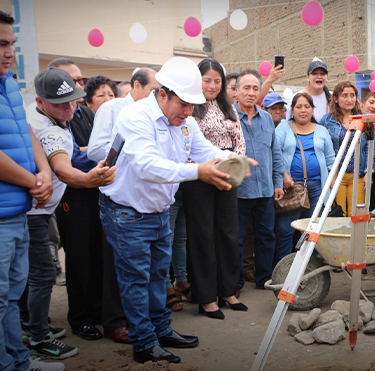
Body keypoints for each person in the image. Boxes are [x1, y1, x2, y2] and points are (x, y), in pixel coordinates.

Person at [99, 56, 239, 363]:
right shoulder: (135, 117)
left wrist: (232, 159)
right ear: (163, 94)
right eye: (184, 104)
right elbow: (147, 166)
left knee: (157, 276)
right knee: (136, 281)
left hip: (159, 211)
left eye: (193, 106)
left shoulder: (185, 122)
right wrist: (197, 172)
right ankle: (144, 343)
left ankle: (161, 330)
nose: (189, 112)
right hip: (127, 213)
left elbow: (205, 150)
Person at [25, 67, 116, 359]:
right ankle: (36, 335)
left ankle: (31, 326)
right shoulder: (45, 128)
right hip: (31, 214)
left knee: (31, 275)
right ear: (40, 102)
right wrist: (89, 179)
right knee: (39, 275)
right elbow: (64, 169)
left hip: (39, 212)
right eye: (61, 103)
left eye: (74, 100)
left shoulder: (55, 119)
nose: (70, 108)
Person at [0, 10, 61, 371]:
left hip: (18, 212)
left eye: (11, 44)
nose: (9, 52)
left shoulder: (8, 81)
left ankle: (19, 362)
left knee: (9, 299)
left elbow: (26, 132)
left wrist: (43, 171)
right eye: (1, 44)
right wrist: (34, 181)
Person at [86, 67, 158, 343]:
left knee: (143, 267)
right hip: (117, 196)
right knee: (117, 262)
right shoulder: (113, 107)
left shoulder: (154, 114)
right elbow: (94, 149)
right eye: (153, 90)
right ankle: (114, 321)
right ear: (136, 87)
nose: (158, 97)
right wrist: (130, 152)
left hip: (146, 196)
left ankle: (140, 319)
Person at [181, 58, 249, 320]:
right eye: (207, 80)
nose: (212, 85)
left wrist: (236, 165)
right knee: (202, 237)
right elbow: (187, 148)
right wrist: (203, 169)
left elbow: (239, 141)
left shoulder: (228, 107)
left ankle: (228, 291)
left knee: (228, 233)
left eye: (217, 81)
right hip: (198, 178)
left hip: (228, 176)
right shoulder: (190, 108)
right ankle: (207, 298)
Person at [234, 69, 284, 292]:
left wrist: (277, 183)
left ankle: (264, 278)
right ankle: (234, 282)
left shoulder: (266, 118)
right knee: (235, 239)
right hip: (237, 189)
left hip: (265, 189)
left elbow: (275, 153)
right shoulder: (229, 118)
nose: (251, 93)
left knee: (267, 236)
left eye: (256, 88)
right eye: (246, 88)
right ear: (236, 91)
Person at [274, 93, 335, 262]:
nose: (303, 110)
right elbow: (275, 154)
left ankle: (308, 268)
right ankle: (283, 267)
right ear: (292, 110)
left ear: (312, 109)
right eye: (298, 106)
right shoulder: (283, 128)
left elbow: (331, 159)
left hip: (317, 187)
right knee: (285, 230)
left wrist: (332, 180)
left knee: (312, 229)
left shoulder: (321, 130)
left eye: (307, 106)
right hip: (290, 188)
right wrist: (284, 175)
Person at [318, 81, 373, 218]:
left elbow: (370, 148)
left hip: (358, 175)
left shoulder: (365, 118)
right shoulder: (327, 120)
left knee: (356, 215)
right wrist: (329, 175)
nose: (349, 100)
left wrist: (369, 172)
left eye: (352, 95)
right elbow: (322, 149)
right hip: (337, 176)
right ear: (335, 98)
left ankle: (356, 240)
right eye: (344, 96)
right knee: (339, 215)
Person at [287, 58, 331, 122]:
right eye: (314, 73)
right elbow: (288, 122)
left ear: (326, 77)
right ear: (307, 77)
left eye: (322, 74)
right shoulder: (298, 97)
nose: (319, 76)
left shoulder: (333, 97)